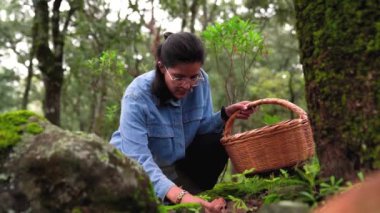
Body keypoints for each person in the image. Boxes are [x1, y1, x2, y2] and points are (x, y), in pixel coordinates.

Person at [110, 32, 255, 212]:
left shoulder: (201, 81)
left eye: (193, 77)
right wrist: (181, 197)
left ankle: (198, 196)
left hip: (176, 170)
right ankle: (179, 200)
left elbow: (202, 130)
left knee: (217, 140)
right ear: (162, 67)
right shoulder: (137, 96)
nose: (187, 85)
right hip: (135, 172)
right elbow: (137, 159)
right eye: (178, 77)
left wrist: (224, 115)